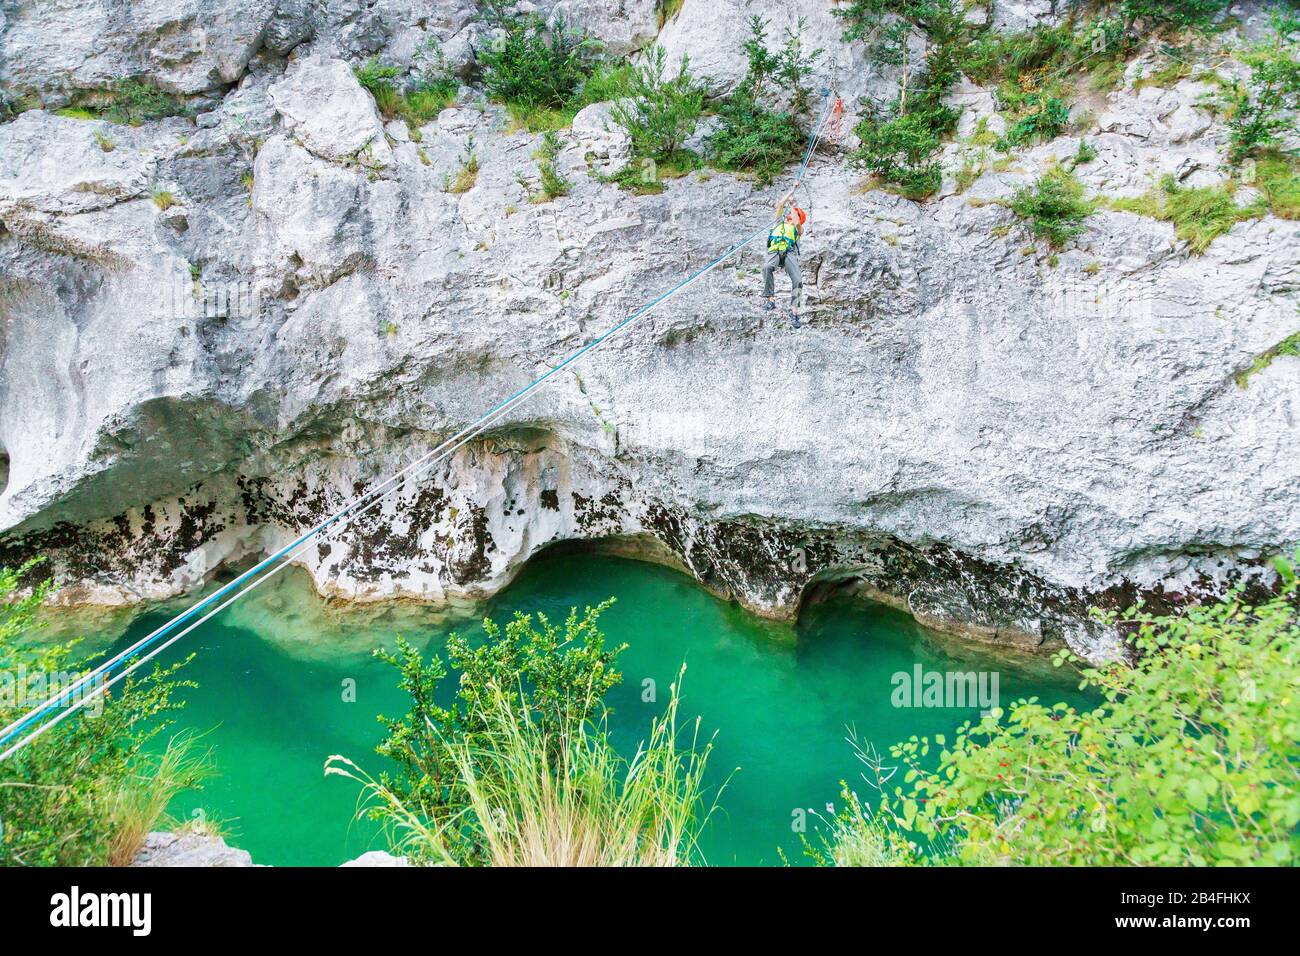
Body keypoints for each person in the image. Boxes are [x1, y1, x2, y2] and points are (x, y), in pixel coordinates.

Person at [763, 188, 807, 328]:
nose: (789, 214)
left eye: (794, 214)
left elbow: (797, 222)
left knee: (798, 281)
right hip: (775, 251)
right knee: (767, 267)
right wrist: (792, 190)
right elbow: (780, 204)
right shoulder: (778, 223)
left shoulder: (799, 229)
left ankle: (794, 313)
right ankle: (771, 299)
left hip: (789, 253)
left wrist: (793, 205)